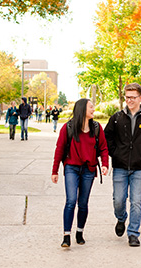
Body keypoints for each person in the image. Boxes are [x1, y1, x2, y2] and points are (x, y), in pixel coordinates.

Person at [104, 83, 141, 247]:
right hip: (120, 167)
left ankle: (133, 233)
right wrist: (115, 154)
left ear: (140, 98)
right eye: (127, 97)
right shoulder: (116, 118)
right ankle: (121, 218)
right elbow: (107, 138)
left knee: (136, 201)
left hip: (138, 169)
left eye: (133, 97)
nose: (129, 100)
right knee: (119, 200)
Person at [51, 98, 109, 247]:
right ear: (82, 109)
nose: (93, 109)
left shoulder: (96, 128)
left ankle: (79, 231)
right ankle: (66, 235)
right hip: (72, 168)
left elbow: (103, 148)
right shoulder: (68, 127)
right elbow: (60, 149)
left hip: (88, 170)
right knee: (71, 201)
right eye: (91, 107)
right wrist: (55, 170)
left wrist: (105, 164)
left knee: (83, 203)